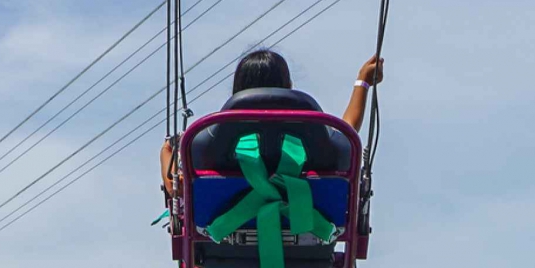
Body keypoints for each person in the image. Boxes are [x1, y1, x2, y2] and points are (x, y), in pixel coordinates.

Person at [160, 49, 384, 198]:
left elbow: (173, 184)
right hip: (307, 219)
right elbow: (348, 131)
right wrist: (362, 83)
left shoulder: (208, 141)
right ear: (288, 85)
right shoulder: (311, 128)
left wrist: (167, 150)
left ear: (237, 88)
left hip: (222, 225)